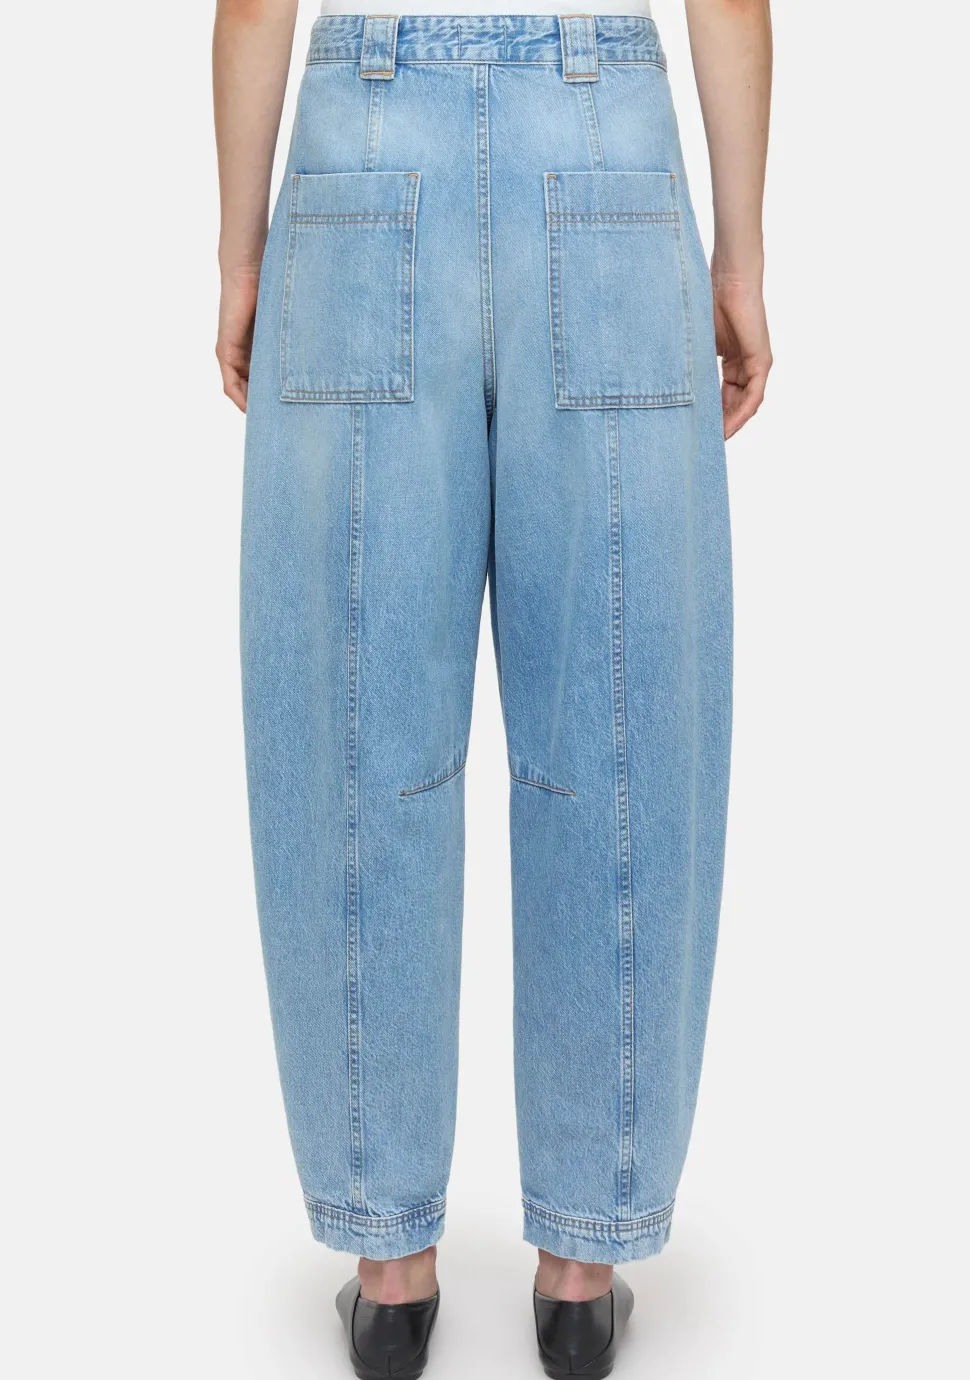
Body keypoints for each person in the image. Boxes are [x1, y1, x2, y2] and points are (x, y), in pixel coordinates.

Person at [214, 0, 771, 1374]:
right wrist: (739, 254)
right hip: (605, 150)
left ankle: (390, 1268)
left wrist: (241, 253)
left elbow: (253, 4)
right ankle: (579, 1271)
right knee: (621, 723)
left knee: (352, 726)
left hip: (359, 150)